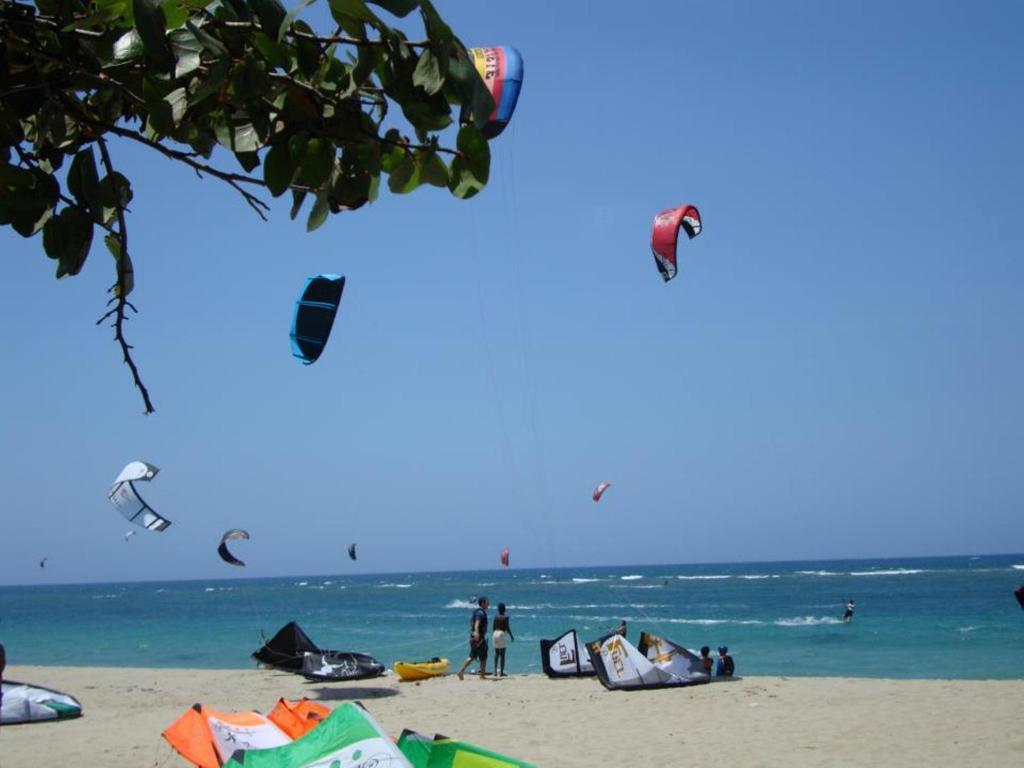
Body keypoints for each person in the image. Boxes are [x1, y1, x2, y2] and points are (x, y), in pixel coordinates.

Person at [457, 596, 489, 680]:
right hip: (479, 638)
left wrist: (474, 632)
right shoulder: (480, 613)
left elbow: (471, 621)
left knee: (472, 656)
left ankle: (461, 671)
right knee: (483, 657)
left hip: (474, 637)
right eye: (487, 602)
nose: (488, 604)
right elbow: (477, 622)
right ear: (482, 603)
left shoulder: (476, 612)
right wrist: (477, 633)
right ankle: (482, 675)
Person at [492, 602, 515, 677]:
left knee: (496, 654)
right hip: (501, 634)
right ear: (504, 609)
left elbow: (493, 627)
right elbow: (507, 627)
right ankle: (501, 672)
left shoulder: (495, 617)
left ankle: (495, 671)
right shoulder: (506, 617)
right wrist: (511, 636)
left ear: (498, 609)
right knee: (502, 655)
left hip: (495, 633)